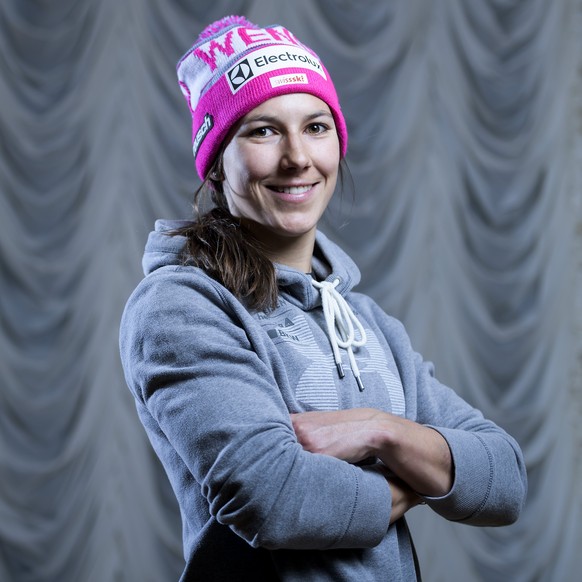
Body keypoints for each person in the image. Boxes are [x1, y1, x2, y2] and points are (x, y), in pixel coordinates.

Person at [119, 15, 527, 582]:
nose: (297, 158)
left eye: (315, 126)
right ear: (215, 163)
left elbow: (504, 478)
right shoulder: (180, 308)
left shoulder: (367, 322)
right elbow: (275, 499)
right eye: (262, 131)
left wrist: (378, 429)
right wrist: (424, 470)